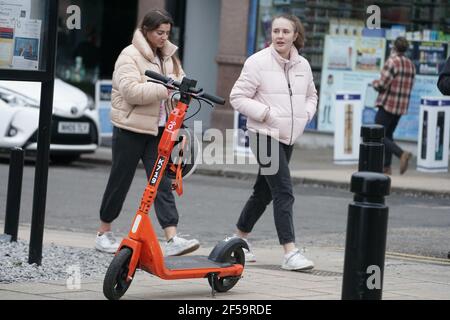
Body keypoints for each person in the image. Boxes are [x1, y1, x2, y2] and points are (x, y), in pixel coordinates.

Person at [95, 9, 200, 256]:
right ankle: (103, 232)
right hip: (130, 129)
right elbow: (131, 91)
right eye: (159, 33)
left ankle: (171, 237)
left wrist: (184, 92)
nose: (164, 38)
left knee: (162, 181)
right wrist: (165, 89)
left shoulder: (170, 56)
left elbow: (179, 82)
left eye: (167, 33)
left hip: (160, 129)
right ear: (146, 31)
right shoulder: (129, 56)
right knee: (120, 180)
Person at [229, 14, 318, 271]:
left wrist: (305, 115)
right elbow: (237, 96)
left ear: (295, 36)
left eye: (285, 31)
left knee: (264, 191)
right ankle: (290, 252)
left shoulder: (303, 65)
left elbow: (312, 95)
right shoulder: (257, 62)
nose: (279, 35)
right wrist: (265, 114)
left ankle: (238, 238)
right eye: (276, 31)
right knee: (283, 191)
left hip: (288, 136)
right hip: (263, 135)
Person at [372, 37, 416, 175]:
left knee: (378, 134)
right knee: (388, 134)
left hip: (388, 104)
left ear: (394, 47)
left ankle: (401, 153)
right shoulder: (411, 65)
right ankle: (386, 167)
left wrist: (374, 83)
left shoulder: (392, 62)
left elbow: (381, 85)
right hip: (400, 107)